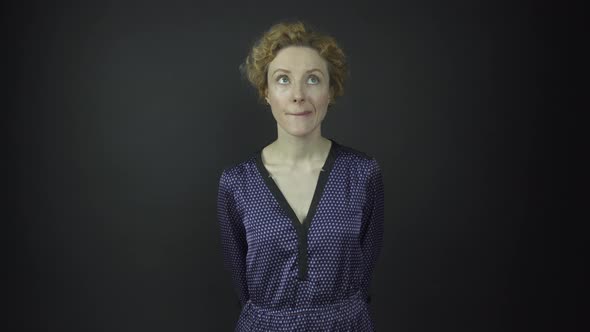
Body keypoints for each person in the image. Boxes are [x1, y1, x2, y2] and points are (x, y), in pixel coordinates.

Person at [217, 20, 385, 331]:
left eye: (312, 79)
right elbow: (241, 284)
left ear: (331, 91)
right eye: (283, 80)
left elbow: (366, 267)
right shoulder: (236, 183)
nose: (297, 95)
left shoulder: (362, 173)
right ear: (265, 91)